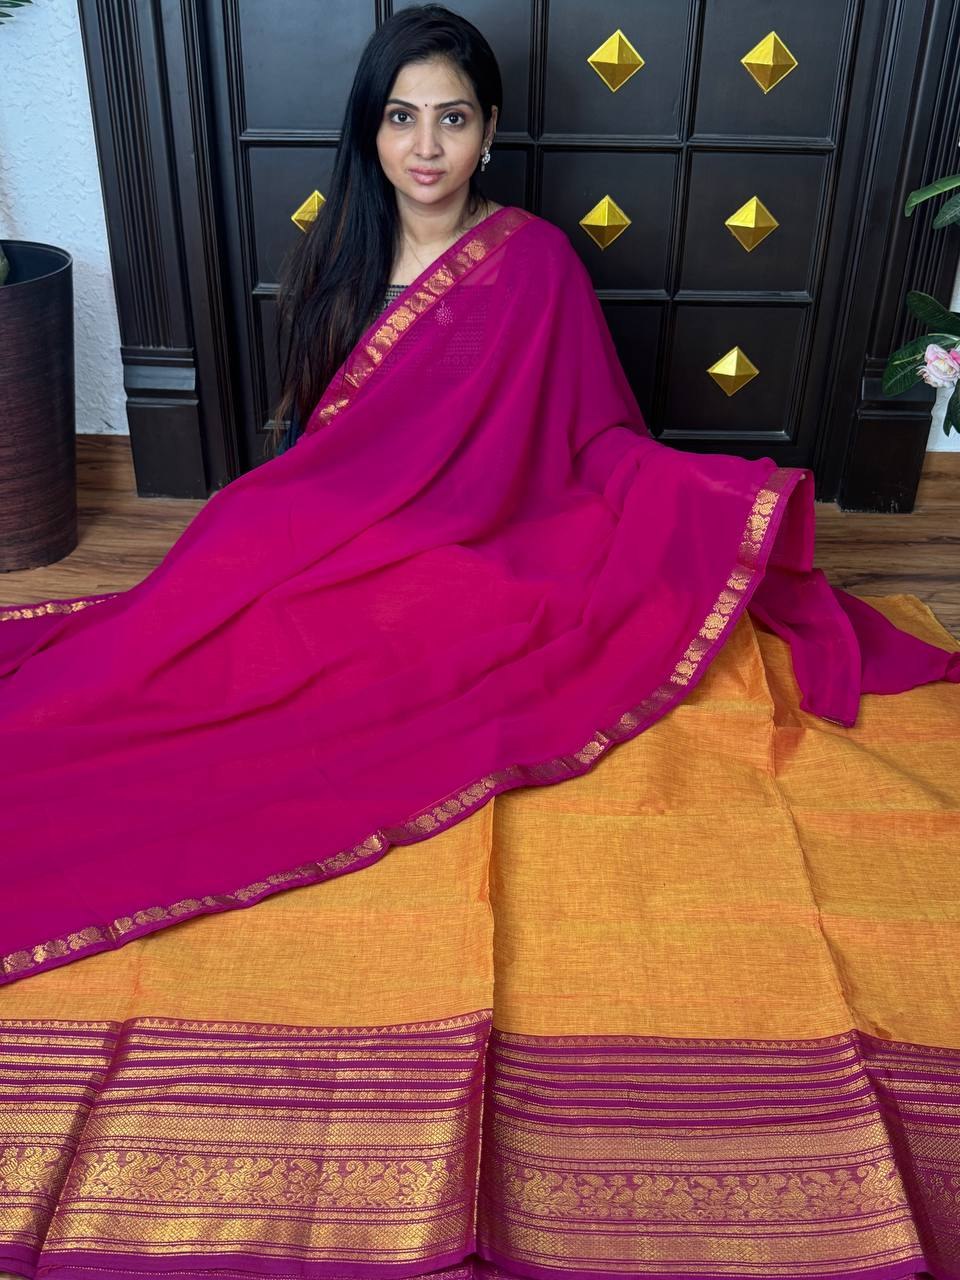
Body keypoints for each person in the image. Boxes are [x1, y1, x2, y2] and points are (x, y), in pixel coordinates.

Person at [0, 7, 958, 1280]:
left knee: (416, 633)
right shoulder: (343, 253)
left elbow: (590, 432)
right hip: (340, 509)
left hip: (489, 530)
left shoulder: (534, 263)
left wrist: (685, 500)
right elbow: (333, 439)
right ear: (372, 130)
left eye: (452, 118)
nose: (426, 146)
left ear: (490, 130)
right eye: (403, 118)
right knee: (220, 571)